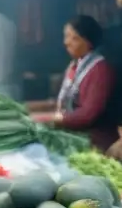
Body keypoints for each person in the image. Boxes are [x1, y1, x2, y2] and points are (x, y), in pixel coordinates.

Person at [40, 15, 116, 149]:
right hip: (71, 135)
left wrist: (52, 119)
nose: (66, 42)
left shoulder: (99, 70)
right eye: (66, 36)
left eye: (73, 38)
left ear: (88, 42)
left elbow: (87, 115)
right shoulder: (74, 65)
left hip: (92, 140)